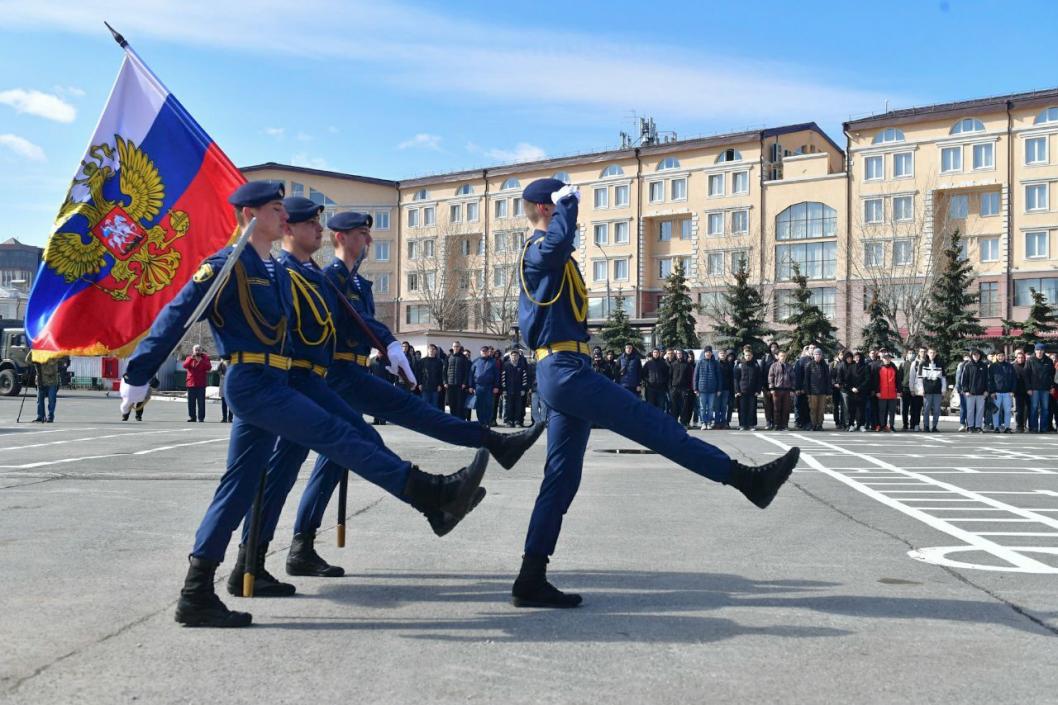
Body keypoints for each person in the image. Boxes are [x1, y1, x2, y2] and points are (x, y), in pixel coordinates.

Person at [118, 181, 488, 628]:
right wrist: (139, 373)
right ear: (247, 217)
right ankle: (430, 493)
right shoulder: (225, 266)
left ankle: (198, 591)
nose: (282, 216)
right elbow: (176, 316)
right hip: (252, 380)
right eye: (275, 209)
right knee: (338, 434)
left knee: (239, 486)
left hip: (277, 379)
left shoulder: (275, 271)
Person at [512, 178, 799, 608]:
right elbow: (556, 244)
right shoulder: (538, 252)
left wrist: (563, 212)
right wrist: (566, 204)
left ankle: (530, 577)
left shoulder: (553, 257)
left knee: (562, 478)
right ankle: (745, 480)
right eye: (559, 206)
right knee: (657, 427)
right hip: (564, 369)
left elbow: (561, 249)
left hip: (566, 369)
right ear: (545, 208)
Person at [279, 208, 543, 580]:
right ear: (341, 238)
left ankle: (302, 546)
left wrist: (384, 352)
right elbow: (357, 324)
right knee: (406, 416)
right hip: (337, 375)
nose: (368, 241)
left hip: (351, 370)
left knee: (338, 457)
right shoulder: (330, 277)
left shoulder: (359, 284)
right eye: (360, 234)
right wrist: (388, 343)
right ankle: (473, 464)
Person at [734, 346, 763, 431]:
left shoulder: (756, 365)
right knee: (742, 409)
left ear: (752, 355)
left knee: (752, 409)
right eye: (746, 355)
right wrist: (737, 390)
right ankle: (742, 424)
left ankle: (751, 425)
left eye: (749, 355)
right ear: (744, 355)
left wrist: (758, 390)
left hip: (753, 391)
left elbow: (759, 379)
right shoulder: (739, 365)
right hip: (742, 391)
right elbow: (736, 379)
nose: (748, 357)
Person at [958, 349, 988, 433]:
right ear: (971, 356)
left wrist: (986, 390)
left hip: (981, 393)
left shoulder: (984, 365)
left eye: (978, 355)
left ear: (980, 355)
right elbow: (964, 380)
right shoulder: (967, 366)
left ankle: (978, 426)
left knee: (980, 410)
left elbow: (987, 379)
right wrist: (966, 390)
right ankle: (970, 426)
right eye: (974, 355)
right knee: (970, 410)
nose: (976, 356)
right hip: (970, 393)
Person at [1027, 343, 1053, 433]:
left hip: (1045, 389)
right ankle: (1033, 428)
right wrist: (1028, 388)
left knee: (1045, 409)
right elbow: (1027, 376)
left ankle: (1043, 428)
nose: (1039, 352)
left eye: (1041, 350)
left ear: (1044, 351)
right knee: (1034, 408)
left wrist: (1052, 386)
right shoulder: (1030, 360)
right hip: (1034, 389)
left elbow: (1051, 375)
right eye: (1038, 350)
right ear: (1035, 351)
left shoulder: (1049, 361)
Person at [470, 345, 499, 427]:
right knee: (479, 405)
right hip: (478, 386)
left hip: (489, 387)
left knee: (488, 405)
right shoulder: (476, 361)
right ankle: (481, 421)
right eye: (483, 351)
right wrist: (471, 386)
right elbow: (471, 375)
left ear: (488, 352)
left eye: (486, 351)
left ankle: (487, 422)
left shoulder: (493, 362)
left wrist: (496, 386)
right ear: (480, 352)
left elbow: (497, 375)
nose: (484, 352)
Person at [919, 348, 946, 432]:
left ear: (936, 353)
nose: (932, 354)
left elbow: (943, 378)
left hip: (937, 390)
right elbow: (919, 378)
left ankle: (934, 426)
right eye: (930, 352)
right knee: (926, 409)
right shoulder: (923, 364)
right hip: (927, 391)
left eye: (934, 352)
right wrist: (921, 389)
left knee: (937, 410)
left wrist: (943, 389)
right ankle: (926, 426)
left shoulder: (940, 364)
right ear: (927, 353)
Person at [768, 349, 796, 432]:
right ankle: (777, 425)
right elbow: (770, 377)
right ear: (778, 357)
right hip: (777, 390)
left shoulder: (789, 366)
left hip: (787, 390)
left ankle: (785, 425)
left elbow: (793, 378)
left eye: (784, 356)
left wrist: (792, 389)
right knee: (777, 408)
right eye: (781, 356)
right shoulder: (774, 366)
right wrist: (772, 388)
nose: (783, 358)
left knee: (786, 409)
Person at [988, 349, 1015, 433]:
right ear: (996, 356)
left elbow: (1014, 379)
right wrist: (992, 392)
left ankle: (1007, 427)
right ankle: (996, 427)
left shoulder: (1009, 366)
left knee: (1007, 411)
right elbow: (990, 380)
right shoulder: (992, 366)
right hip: (996, 393)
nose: (1001, 357)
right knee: (996, 411)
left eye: (1002, 355)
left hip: (1007, 393)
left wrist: (1012, 390)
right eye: (999, 355)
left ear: (1005, 356)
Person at [804, 347, 831, 431]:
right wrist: (808, 391)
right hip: (812, 391)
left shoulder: (825, 366)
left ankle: (819, 424)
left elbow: (828, 379)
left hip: (822, 391)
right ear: (813, 355)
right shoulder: (809, 365)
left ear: (821, 355)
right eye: (816, 354)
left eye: (819, 354)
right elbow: (806, 379)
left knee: (821, 409)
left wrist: (828, 391)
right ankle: (813, 425)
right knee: (813, 409)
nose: (817, 356)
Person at [182, 344, 211, 422]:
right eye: (196, 350)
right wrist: (192, 358)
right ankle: (192, 417)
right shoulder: (189, 358)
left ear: (201, 350)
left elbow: (209, 367)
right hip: (191, 383)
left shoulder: (205, 358)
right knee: (191, 402)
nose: (198, 351)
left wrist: (200, 361)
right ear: (193, 351)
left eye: (199, 350)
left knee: (201, 402)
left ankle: (201, 418)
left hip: (201, 383)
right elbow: (184, 365)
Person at [694, 346, 720, 430]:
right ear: (704, 353)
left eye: (709, 352)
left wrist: (719, 389)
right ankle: (703, 423)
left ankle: (708, 422)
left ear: (711, 353)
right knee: (702, 407)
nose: (708, 353)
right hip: (702, 389)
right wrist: (695, 388)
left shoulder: (715, 363)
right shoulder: (700, 362)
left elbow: (719, 377)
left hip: (712, 389)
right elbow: (695, 376)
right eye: (706, 352)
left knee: (710, 408)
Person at [33, 356, 65, 423]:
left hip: (52, 381)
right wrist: (33, 350)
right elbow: (27, 360)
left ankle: (50, 416)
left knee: (51, 400)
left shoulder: (54, 353)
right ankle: (40, 416)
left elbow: (55, 366)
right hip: (41, 380)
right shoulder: (39, 352)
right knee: (39, 400)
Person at [874, 352, 900, 432]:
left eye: (888, 358)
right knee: (882, 411)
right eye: (885, 358)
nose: (887, 359)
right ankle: (882, 425)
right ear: (882, 359)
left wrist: (899, 391)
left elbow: (898, 380)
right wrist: (877, 391)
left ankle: (891, 425)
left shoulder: (894, 368)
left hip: (892, 393)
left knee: (892, 411)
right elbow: (876, 381)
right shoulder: (879, 368)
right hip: (882, 393)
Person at [502, 349, 529, 427]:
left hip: (519, 390)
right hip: (509, 389)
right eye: (513, 355)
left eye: (516, 355)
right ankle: (509, 421)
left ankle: (517, 421)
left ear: (518, 357)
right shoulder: (506, 365)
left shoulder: (521, 365)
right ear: (510, 356)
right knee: (509, 406)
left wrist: (523, 389)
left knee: (518, 406)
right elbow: (503, 377)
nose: (514, 357)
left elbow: (524, 377)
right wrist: (504, 389)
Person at [445, 341, 471, 417]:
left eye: (457, 346)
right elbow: (444, 370)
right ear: (452, 347)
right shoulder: (448, 357)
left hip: (460, 385)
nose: (456, 348)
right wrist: (445, 382)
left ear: (460, 347)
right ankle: (453, 420)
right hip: (450, 385)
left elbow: (466, 372)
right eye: (455, 346)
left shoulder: (463, 358)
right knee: (452, 404)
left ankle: (459, 420)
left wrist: (464, 383)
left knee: (459, 405)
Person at [668, 349, 694, 428]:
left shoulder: (687, 365)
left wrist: (688, 389)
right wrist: (670, 388)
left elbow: (690, 378)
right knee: (674, 406)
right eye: (678, 353)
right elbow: (669, 377)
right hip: (674, 388)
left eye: (680, 353)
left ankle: (683, 422)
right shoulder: (673, 364)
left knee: (684, 406)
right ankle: (674, 422)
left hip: (684, 389)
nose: (679, 354)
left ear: (683, 354)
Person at [419, 344, 446, 410]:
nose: (432, 350)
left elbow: (441, 374)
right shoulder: (422, 361)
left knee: (434, 405)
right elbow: (419, 373)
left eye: (434, 349)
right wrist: (419, 383)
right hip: (425, 386)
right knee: (425, 405)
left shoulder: (439, 362)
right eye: (430, 349)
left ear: (436, 351)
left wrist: (440, 384)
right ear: (428, 350)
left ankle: (433, 420)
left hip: (435, 387)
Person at [762, 341, 780, 430]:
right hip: (766, 386)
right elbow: (761, 372)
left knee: (775, 405)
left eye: (775, 347)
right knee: (767, 405)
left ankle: (775, 422)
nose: (774, 348)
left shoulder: (779, 358)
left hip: (777, 387)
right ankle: (768, 421)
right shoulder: (765, 357)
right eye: (772, 347)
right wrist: (764, 387)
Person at [1012, 348, 1029, 433]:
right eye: (1019, 357)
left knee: (1027, 409)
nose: (1021, 359)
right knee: (1018, 410)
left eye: (1022, 357)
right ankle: (1019, 426)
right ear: (1016, 358)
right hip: (1017, 392)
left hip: (1027, 391)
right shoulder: (1013, 366)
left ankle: (1025, 425)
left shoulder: (1027, 365)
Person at [954, 354, 970, 432]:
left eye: (968, 357)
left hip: (971, 391)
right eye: (965, 357)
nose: (967, 358)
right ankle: (962, 424)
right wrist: (958, 387)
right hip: (963, 390)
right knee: (963, 408)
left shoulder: (972, 365)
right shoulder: (961, 365)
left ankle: (969, 424)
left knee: (970, 408)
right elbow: (958, 377)